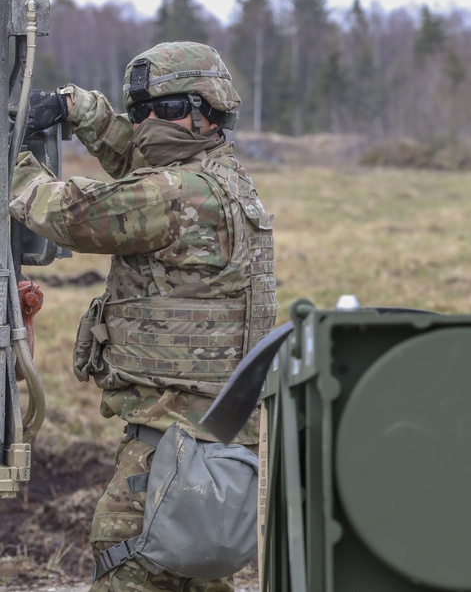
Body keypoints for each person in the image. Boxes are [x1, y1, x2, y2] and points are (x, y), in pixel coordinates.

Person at [9, 41, 277, 591]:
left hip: (175, 435)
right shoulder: (219, 174)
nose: (140, 122)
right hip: (214, 429)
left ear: (193, 111)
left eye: (149, 110)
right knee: (187, 570)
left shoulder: (179, 195)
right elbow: (138, 157)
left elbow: (72, 214)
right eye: (133, 113)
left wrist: (14, 167)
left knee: (131, 563)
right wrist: (75, 107)